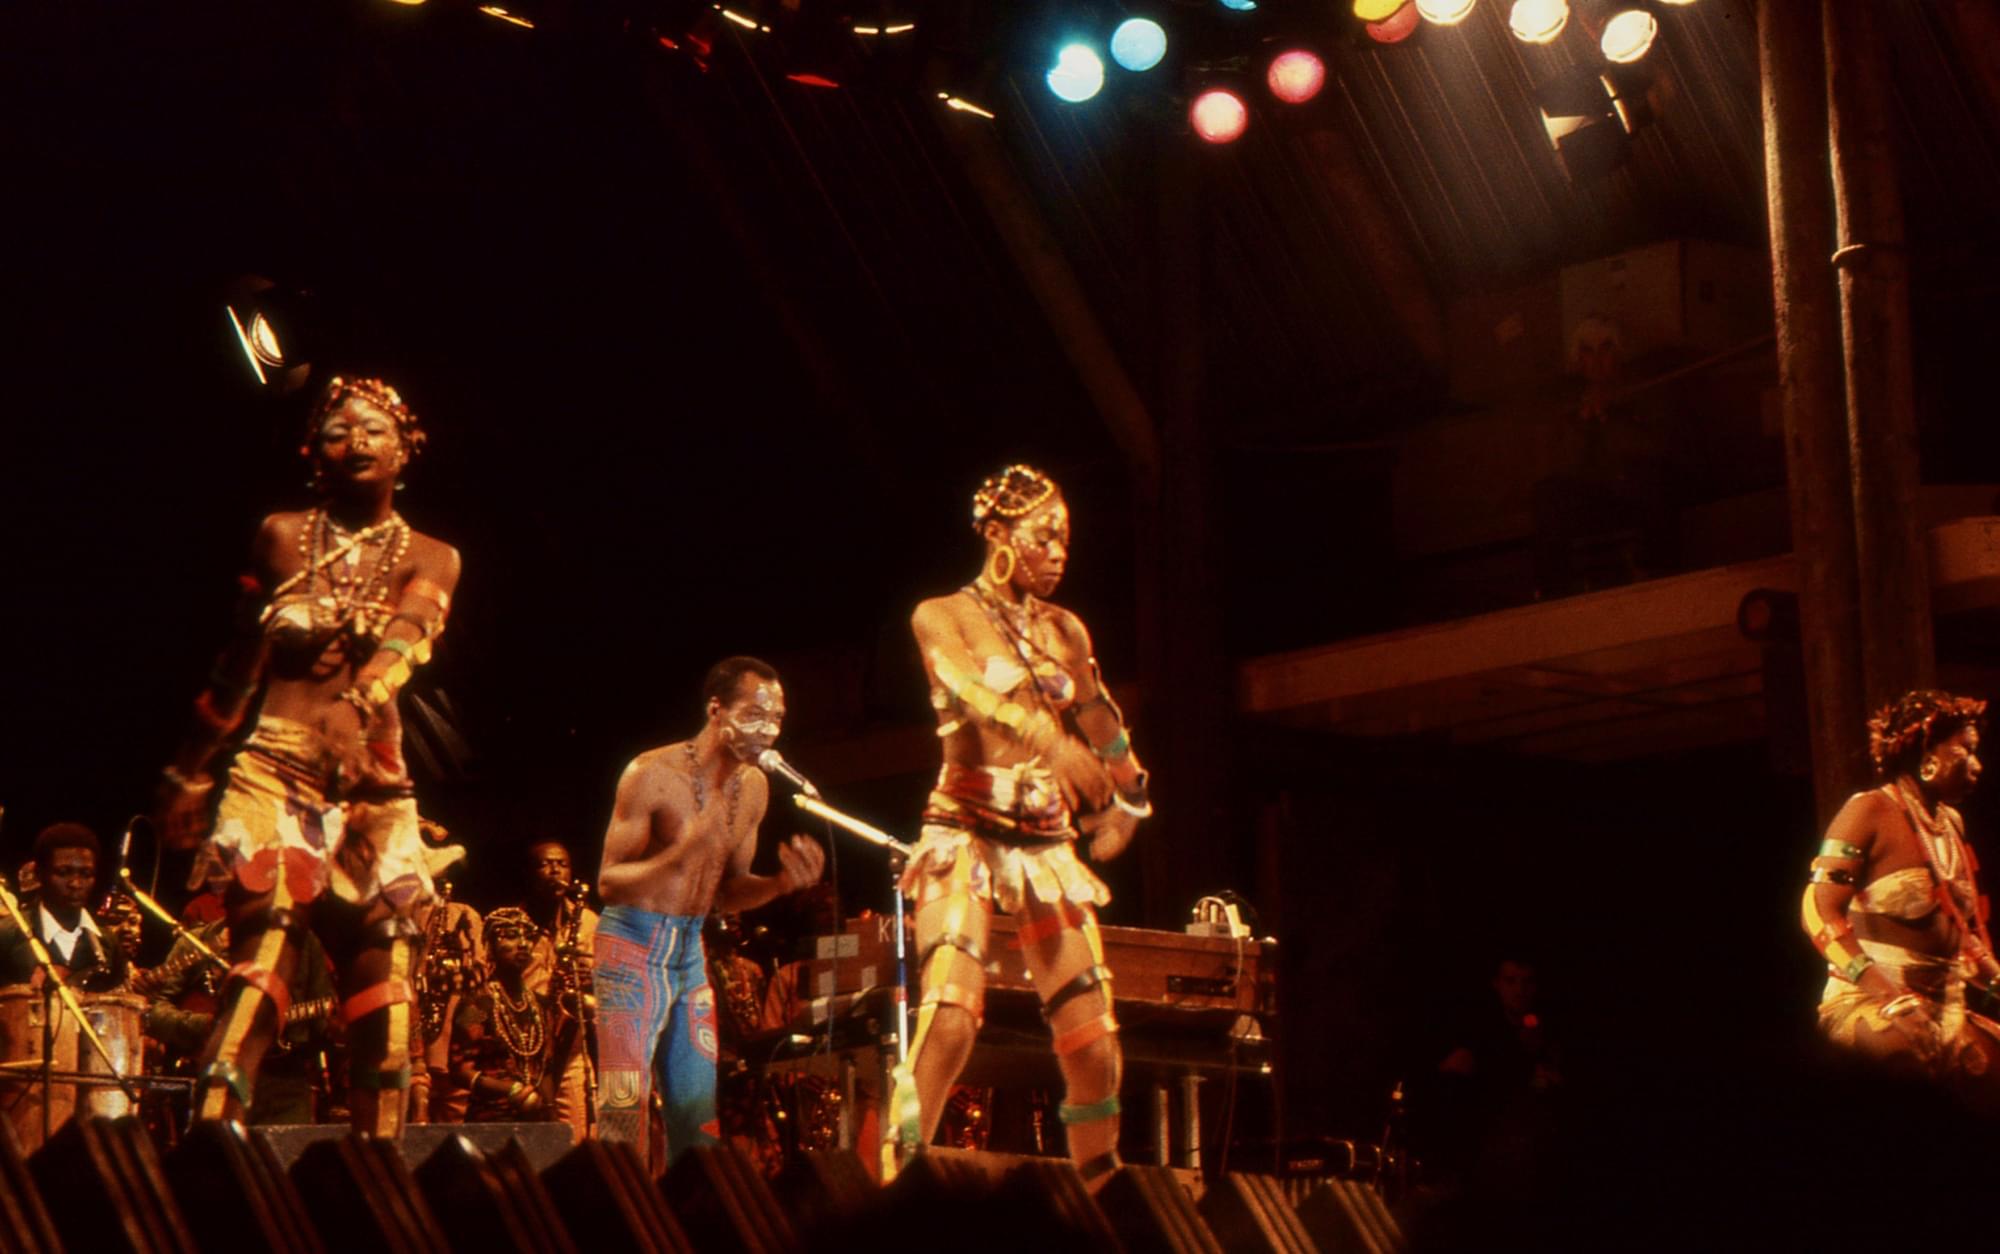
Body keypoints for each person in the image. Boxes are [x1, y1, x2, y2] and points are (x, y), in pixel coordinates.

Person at [154, 374, 464, 1135]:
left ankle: (376, 1183)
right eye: (337, 430)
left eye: (374, 430)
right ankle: (213, 1156)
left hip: (374, 790)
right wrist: (187, 771)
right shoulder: (282, 536)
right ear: (312, 453)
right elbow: (236, 669)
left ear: (405, 449)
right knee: (263, 967)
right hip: (274, 770)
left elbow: (410, 637)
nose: (356, 441)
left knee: (388, 993)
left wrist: (359, 705)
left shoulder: (433, 554)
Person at [893, 464, 1150, 1187]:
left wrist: (1130, 799)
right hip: (965, 832)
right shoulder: (940, 614)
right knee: (951, 1016)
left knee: (1095, 1044)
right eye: (1046, 536)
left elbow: (1100, 715)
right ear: (1000, 537)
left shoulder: (1064, 628)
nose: (1060, 552)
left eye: (1066, 539)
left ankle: (1102, 1199)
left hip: (1043, 843)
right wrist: (1052, 743)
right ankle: (884, 1185)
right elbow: (969, 692)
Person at [593, 656, 826, 1169]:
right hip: (630, 945)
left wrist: (781, 883)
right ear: (716, 710)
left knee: (697, 1117)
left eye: (777, 719)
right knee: (623, 1108)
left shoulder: (756, 788)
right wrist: (679, 855)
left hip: (689, 951)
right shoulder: (650, 774)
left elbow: (726, 893)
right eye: (755, 715)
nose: (768, 729)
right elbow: (608, 883)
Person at [1804, 689, 2000, 1102]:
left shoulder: (1951, 824)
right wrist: (1890, 999)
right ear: (1929, 753)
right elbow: (1817, 911)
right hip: (1871, 1000)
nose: (1978, 765)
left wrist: (1995, 978)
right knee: (1906, 1070)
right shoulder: (1868, 810)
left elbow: (1960, 930)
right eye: (1966, 750)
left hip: (1945, 1005)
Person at [514, 840, 597, 1141]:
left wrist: (591, 978)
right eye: (546, 864)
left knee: (579, 1137)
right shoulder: (511, 923)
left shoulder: (588, 922)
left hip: (571, 1046)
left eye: (562, 864)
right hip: (524, 1046)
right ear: (529, 873)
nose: (555, 871)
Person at [450, 908, 556, 1122]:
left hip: (536, 1120)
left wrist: (550, 1112)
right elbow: (459, 1070)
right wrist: (511, 1090)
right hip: (491, 1120)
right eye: (510, 936)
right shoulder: (476, 1005)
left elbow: (546, 1068)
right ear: (491, 947)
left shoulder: (541, 1005)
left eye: (527, 936)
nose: (523, 943)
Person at [0, 823, 128, 992]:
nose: (76, 883)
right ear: (39, 874)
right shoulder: (9, 934)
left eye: (86, 874)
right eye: (63, 872)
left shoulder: (107, 943)